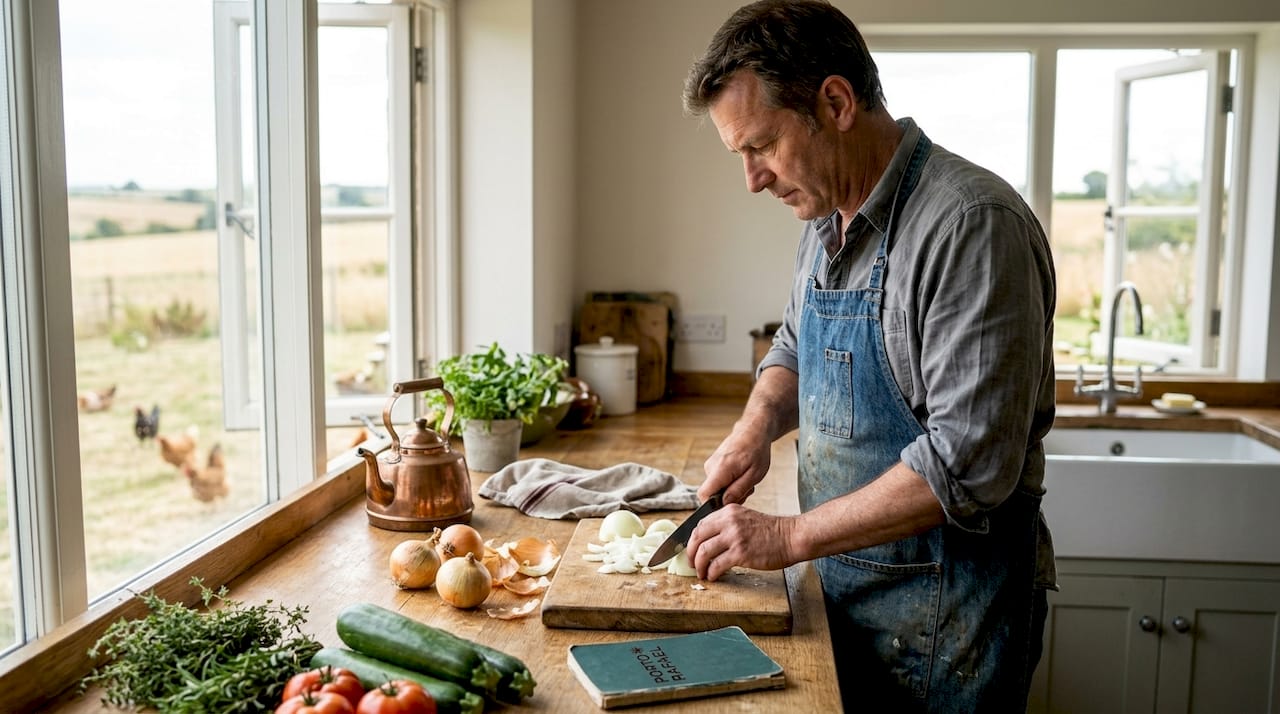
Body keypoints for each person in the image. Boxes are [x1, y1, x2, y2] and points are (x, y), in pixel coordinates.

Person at [680, 1, 1058, 711]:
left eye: (760, 146)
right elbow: (793, 344)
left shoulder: (972, 226)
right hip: (847, 596)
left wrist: (786, 535)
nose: (752, 179)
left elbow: (967, 465)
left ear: (835, 102)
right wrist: (755, 427)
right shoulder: (825, 214)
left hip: (951, 626)